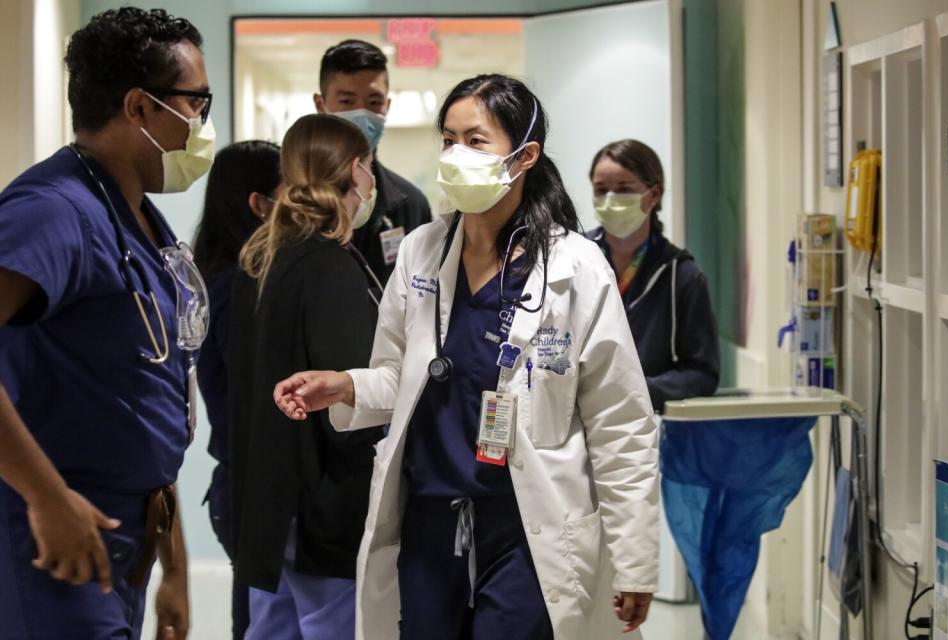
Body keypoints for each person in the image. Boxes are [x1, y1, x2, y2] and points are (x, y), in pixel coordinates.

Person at [275, 74, 660, 640]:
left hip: (529, 527)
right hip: (430, 519)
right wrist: (345, 386)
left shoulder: (577, 268)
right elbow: (398, 375)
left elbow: (621, 423)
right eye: (448, 140)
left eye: (476, 141)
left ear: (524, 156)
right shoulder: (421, 251)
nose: (457, 155)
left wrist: (635, 556)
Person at [0, 7, 214, 639]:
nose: (202, 123)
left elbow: (149, 394)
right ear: (139, 107)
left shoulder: (136, 215)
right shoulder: (53, 211)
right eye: (196, 102)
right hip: (53, 533)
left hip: (124, 532)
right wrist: (44, 497)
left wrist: (173, 568)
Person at [231, 114, 384, 640]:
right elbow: (350, 394)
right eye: (368, 168)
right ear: (356, 171)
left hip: (273, 503)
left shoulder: (265, 258)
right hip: (324, 502)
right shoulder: (329, 266)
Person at [193, 140, 282, 640]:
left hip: (242, 487)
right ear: (260, 205)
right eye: (290, 193)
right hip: (249, 489)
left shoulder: (226, 277)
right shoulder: (237, 286)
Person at [586, 140, 719, 412]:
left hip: (649, 426)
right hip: (580, 422)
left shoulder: (681, 276)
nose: (610, 199)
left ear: (653, 195)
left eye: (624, 190)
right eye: (601, 190)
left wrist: (640, 391)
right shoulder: (575, 262)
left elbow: (703, 373)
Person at [314, 39, 432, 284]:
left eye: (374, 103)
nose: (363, 113)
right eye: (347, 102)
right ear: (320, 105)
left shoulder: (411, 204)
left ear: (387, 106)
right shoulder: (292, 200)